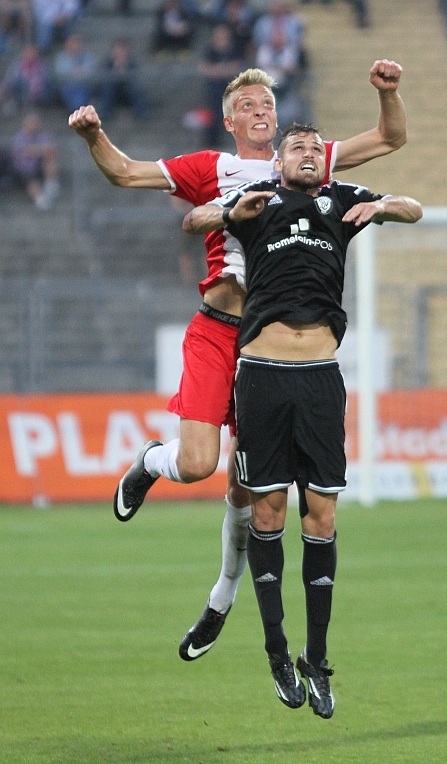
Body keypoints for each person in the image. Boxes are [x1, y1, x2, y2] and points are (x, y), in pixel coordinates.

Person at [67, 60, 407, 664]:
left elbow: (388, 138)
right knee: (197, 463)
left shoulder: (303, 161)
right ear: (229, 121)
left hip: (266, 350)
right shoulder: (211, 168)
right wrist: (94, 135)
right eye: (247, 105)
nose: (261, 111)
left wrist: (389, 93)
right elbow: (124, 172)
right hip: (218, 331)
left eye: (267, 103)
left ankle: (221, 600)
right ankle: (151, 461)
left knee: (247, 488)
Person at [182, 123, 422, 716]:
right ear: (281, 161)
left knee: (322, 517)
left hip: (319, 377)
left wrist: (384, 206)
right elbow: (193, 220)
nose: (309, 153)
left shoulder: (341, 200)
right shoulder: (257, 200)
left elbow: (414, 208)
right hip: (261, 374)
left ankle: (316, 659)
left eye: (317, 147)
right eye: (298, 147)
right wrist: (230, 211)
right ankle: (276, 652)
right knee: (267, 513)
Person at [197, 24, 244, 148]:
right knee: (212, 112)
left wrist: (222, 71)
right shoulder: (210, 49)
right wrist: (218, 71)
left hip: (229, 86)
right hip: (213, 87)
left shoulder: (233, 49)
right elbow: (204, 66)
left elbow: (236, 66)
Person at [11, 110, 60, 210]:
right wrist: (42, 150)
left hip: (39, 165)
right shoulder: (19, 137)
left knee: (50, 160)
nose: (34, 125)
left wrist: (37, 150)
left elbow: (53, 149)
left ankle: (51, 185)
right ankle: (41, 200)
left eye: (36, 122)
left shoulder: (43, 135)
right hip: (23, 168)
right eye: (32, 123)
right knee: (29, 178)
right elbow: (26, 151)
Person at [99, 37, 148, 120]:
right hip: (113, 89)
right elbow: (103, 77)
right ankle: (105, 114)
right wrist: (116, 67)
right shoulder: (108, 63)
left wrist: (124, 67)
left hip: (127, 89)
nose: (120, 52)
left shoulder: (132, 63)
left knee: (134, 89)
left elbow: (136, 76)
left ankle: (141, 114)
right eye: (118, 49)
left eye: (123, 50)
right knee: (108, 88)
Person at [0, 43, 51, 114]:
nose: (28, 55)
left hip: (36, 94)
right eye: (27, 52)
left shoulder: (41, 66)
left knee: (19, 81)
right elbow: (9, 78)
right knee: (11, 83)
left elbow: (40, 83)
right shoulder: (17, 64)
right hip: (19, 91)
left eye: (31, 52)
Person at [54, 33, 96, 112]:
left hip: (83, 86)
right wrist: (78, 72)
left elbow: (90, 71)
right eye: (72, 42)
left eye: (76, 42)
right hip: (67, 87)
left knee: (83, 91)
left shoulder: (87, 56)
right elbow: (62, 74)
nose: (74, 45)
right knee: (70, 91)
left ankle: (78, 111)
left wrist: (75, 72)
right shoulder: (61, 58)